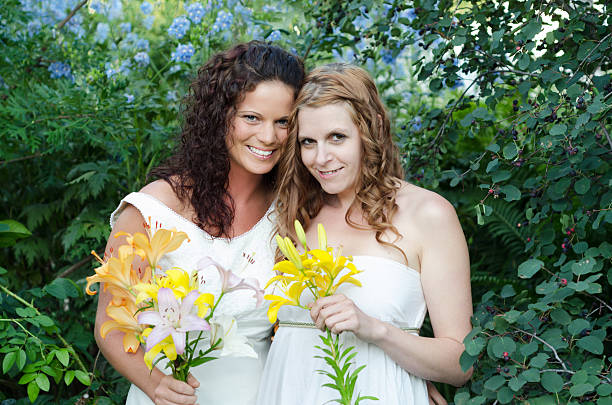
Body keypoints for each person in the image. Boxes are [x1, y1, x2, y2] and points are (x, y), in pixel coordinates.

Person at [94, 41, 305, 405]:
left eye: (283, 122)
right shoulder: (151, 210)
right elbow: (109, 325)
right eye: (251, 118)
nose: (269, 137)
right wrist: (156, 384)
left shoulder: (291, 214)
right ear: (219, 115)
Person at [257, 63, 473, 405]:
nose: (321, 158)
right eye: (308, 142)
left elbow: (461, 364)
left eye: (337, 137)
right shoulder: (291, 213)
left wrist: (377, 331)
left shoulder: (428, 214)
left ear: (369, 131)